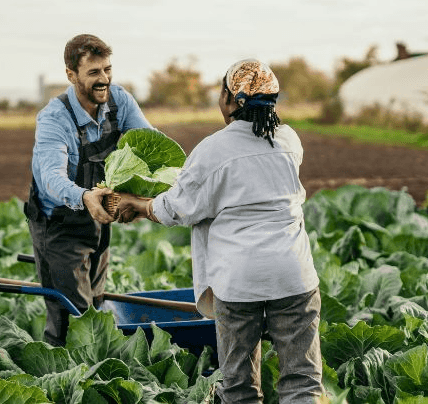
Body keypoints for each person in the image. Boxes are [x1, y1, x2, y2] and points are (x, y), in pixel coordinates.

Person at [116, 59, 324, 404]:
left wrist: (139, 204)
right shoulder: (289, 141)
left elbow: (176, 208)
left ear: (229, 100)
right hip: (293, 273)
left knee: (239, 387)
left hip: (239, 279)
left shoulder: (214, 149)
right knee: (302, 382)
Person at [25, 33, 153, 347]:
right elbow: (51, 178)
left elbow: (150, 145)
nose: (104, 79)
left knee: (95, 306)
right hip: (58, 224)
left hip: (98, 218)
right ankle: (58, 383)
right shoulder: (55, 119)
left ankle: (93, 377)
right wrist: (84, 196)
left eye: (108, 69)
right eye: (94, 72)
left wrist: (147, 194)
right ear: (71, 75)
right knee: (71, 316)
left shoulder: (118, 100)